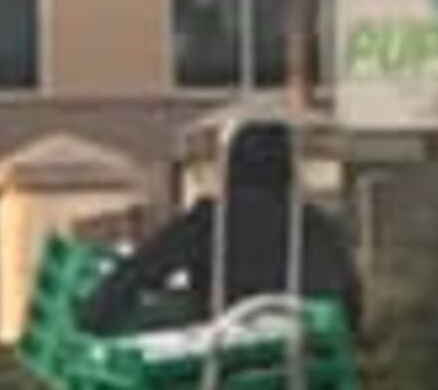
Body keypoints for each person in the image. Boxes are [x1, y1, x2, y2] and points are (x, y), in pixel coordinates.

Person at [83, 110, 362, 341]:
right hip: (309, 362)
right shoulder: (318, 226)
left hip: (225, 364)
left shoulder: (209, 222)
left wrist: (93, 318)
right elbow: (352, 304)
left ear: (230, 167)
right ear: (289, 169)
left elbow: (139, 272)